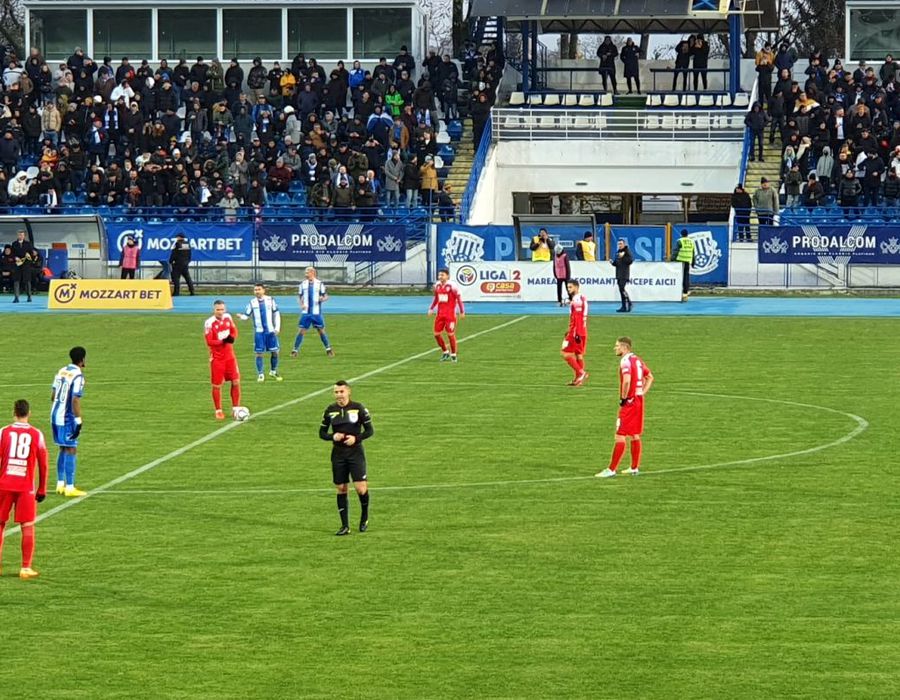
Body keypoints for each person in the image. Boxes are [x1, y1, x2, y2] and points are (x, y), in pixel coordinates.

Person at [0, 399, 49, 579]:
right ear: (29, 413)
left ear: (14, 412)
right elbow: (43, 464)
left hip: (4, 484)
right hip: (25, 487)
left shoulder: (3, 432)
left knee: (0, 523)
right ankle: (25, 568)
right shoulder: (37, 434)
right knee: (27, 525)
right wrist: (42, 488)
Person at [319, 380, 374, 536]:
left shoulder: (358, 408)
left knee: (360, 488)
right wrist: (332, 436)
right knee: (341, 488)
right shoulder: (330, 410)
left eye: (341, 392)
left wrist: (356, 439)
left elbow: (370, 431)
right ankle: (345, 526)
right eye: (336, 392)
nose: (339, 395)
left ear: (348, 392)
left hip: (355, 453)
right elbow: (321, 433)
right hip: (338, 454)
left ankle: (364, 517)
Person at [596, 337, 654, 478]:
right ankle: (634, 467)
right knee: (634, 434)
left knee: (620, 435)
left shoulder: (625, 361)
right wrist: (641, 393)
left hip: (629, 402)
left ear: (624, 347)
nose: (615, 348)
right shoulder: (637, 360)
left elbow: (627, 381)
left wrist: (623, 397)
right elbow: (650, 377)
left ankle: (611, 469)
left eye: (616, 346)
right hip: (638, 400)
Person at [51, 346, 87, 497]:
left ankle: (60, 484)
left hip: (54, 414)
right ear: (82, 359)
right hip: (66, 418)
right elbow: (75, 400)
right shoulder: (78, 375)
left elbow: (53, 395)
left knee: (62, 448)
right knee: (71, 448)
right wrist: (78, 421)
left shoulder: (61, 371)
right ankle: (70, 487)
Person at [204, 300, 241, 421]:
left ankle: (235, 408)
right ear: (214, 310)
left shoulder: (228, 317)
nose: (220, 312)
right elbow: (209, 341)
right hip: (218, 358)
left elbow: (234, 331)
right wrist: (222, 341)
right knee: (217, 385)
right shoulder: (209, 323)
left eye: (222, 309)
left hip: (230, 357)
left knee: (235, 381)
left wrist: (232, 337)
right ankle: (218, 410)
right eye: (218, 310)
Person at [238, 283, 282, 383]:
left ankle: (273, 371)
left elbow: (276, 313)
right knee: (259, 353)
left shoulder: (270, 300)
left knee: (275, 352)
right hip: (259, 332)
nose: (257, 291)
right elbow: (247, 315)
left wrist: (277, 327)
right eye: (255, 290)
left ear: (263, 290)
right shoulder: (252, 303)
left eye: (259, 289)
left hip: (270, 331)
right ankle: (261, 374)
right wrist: (241, 317)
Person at [292, 266, 334, 358]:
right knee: (301, 331)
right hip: (306, 313)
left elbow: (326, 296)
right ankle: (295, 350)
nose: (305, 274)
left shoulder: (319, 284)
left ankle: (328, 349)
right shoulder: (302, 284)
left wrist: (322, 299)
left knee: (321, 331)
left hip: (316, 313)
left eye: (307, 272)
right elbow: (299, 297)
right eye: (305, 272)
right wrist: (301, 304)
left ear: (313, 273)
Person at [428, 267, 465, 362]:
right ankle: (445, 352)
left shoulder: (452, 285)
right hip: (440, 314)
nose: (440, 277)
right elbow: (436, 298)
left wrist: (462, 311)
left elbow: (459, 299)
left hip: (450, 315)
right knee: (436, 334)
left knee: (450, 334)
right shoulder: (437, 285)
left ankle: (453, 354)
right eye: (439, 275)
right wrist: (431, 308)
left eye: (442, 275)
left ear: (447, 276)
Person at [560, 279, 588, 386]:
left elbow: (578, 317)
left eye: (570, 287)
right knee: (578, 355)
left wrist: (575, 332)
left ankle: (581, 373)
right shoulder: (581, 298)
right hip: (582, 331)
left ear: (576, 287)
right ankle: (578, 380)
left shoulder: (577, 299)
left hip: (576, 331)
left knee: (565, 353)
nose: (569, 289)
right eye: (568, 287)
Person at [10, 229, 35, 303]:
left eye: (22, 235)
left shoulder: (28, 244)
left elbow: (32, 254)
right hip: (17, 264)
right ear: (17, 235)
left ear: (24, 236)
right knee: (16, 280)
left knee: (27, 281)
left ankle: (29, 296)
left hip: (26, 264)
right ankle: (16, 297)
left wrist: (29, 255)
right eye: (19, 235)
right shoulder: (14, 243)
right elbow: (12, 254)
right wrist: (15, 257)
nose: (20, 236)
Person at [672, 229, 695, 302]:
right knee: (686, 277)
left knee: (679, 277)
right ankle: (685, 293)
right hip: (688, 261)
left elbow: (675, 252)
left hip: (680, 261)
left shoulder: (680, 241)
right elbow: (693, 253)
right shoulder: (691, 241)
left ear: (681, 234)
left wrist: (672, 260)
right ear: (687, 234)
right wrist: (693, 262)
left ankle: (677, 293)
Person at [611, 238, 633, 312]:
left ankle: (628, 303)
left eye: (621, 244)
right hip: (619, 274)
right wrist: (612, 262)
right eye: (618, 244)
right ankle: (624, 306)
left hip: (624, 273)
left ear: (624, 244)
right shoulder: (618, 252)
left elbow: (630, 260)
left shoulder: (627, 251)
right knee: (621, 290)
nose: (619, 245)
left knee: (622, 289)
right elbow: (617, 263)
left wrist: (623, 257)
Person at [169, 232, 195, 296]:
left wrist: (170, 261)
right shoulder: (187, 244)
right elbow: (189, 255)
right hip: (185, 264)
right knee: (187, 278)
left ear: (179, 237)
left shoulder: (177, 244)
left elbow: (174, 254)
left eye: (177, 237)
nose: (176, 238)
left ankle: (176, 292)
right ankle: (192, 291)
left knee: (176, 278)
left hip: (178, 264)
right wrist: (187, 262)